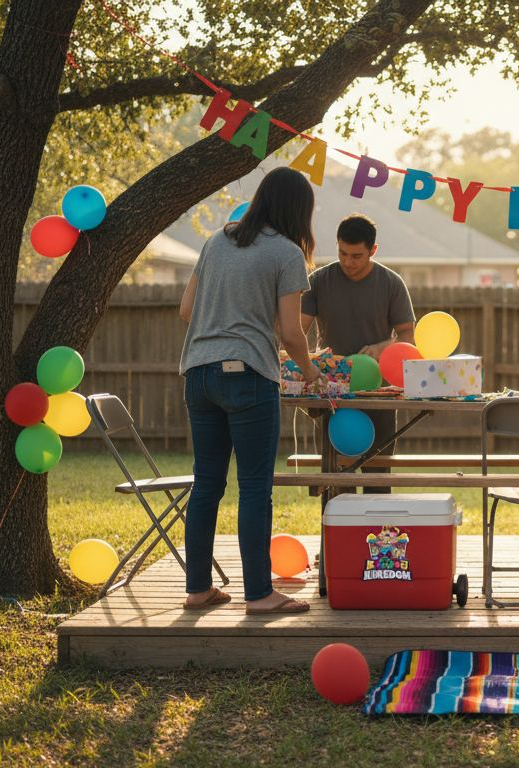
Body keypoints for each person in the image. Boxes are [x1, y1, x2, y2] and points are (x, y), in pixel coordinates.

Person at [177, 167, 326, 615]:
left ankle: (198, 589)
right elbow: (292, 333)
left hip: (199, 373)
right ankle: (260, 594)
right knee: (255, 487)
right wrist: (312, 374)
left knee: (207, 484)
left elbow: (186, 310)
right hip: (247, 376)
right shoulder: (285, 253)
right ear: (299, 211)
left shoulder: (216, 241)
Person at [301, 214, 415, 492]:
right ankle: (335, 537)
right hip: (332, 394)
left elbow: (408, 338)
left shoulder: (391, 283)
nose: (348, 262)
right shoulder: (317, 281)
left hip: (379, 394)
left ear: (373, 251)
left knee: (377, 482)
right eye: (342, 253)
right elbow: (295, 334)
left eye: (356, 256)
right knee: (336, 484)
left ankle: (380, 536)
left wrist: (380, 347)